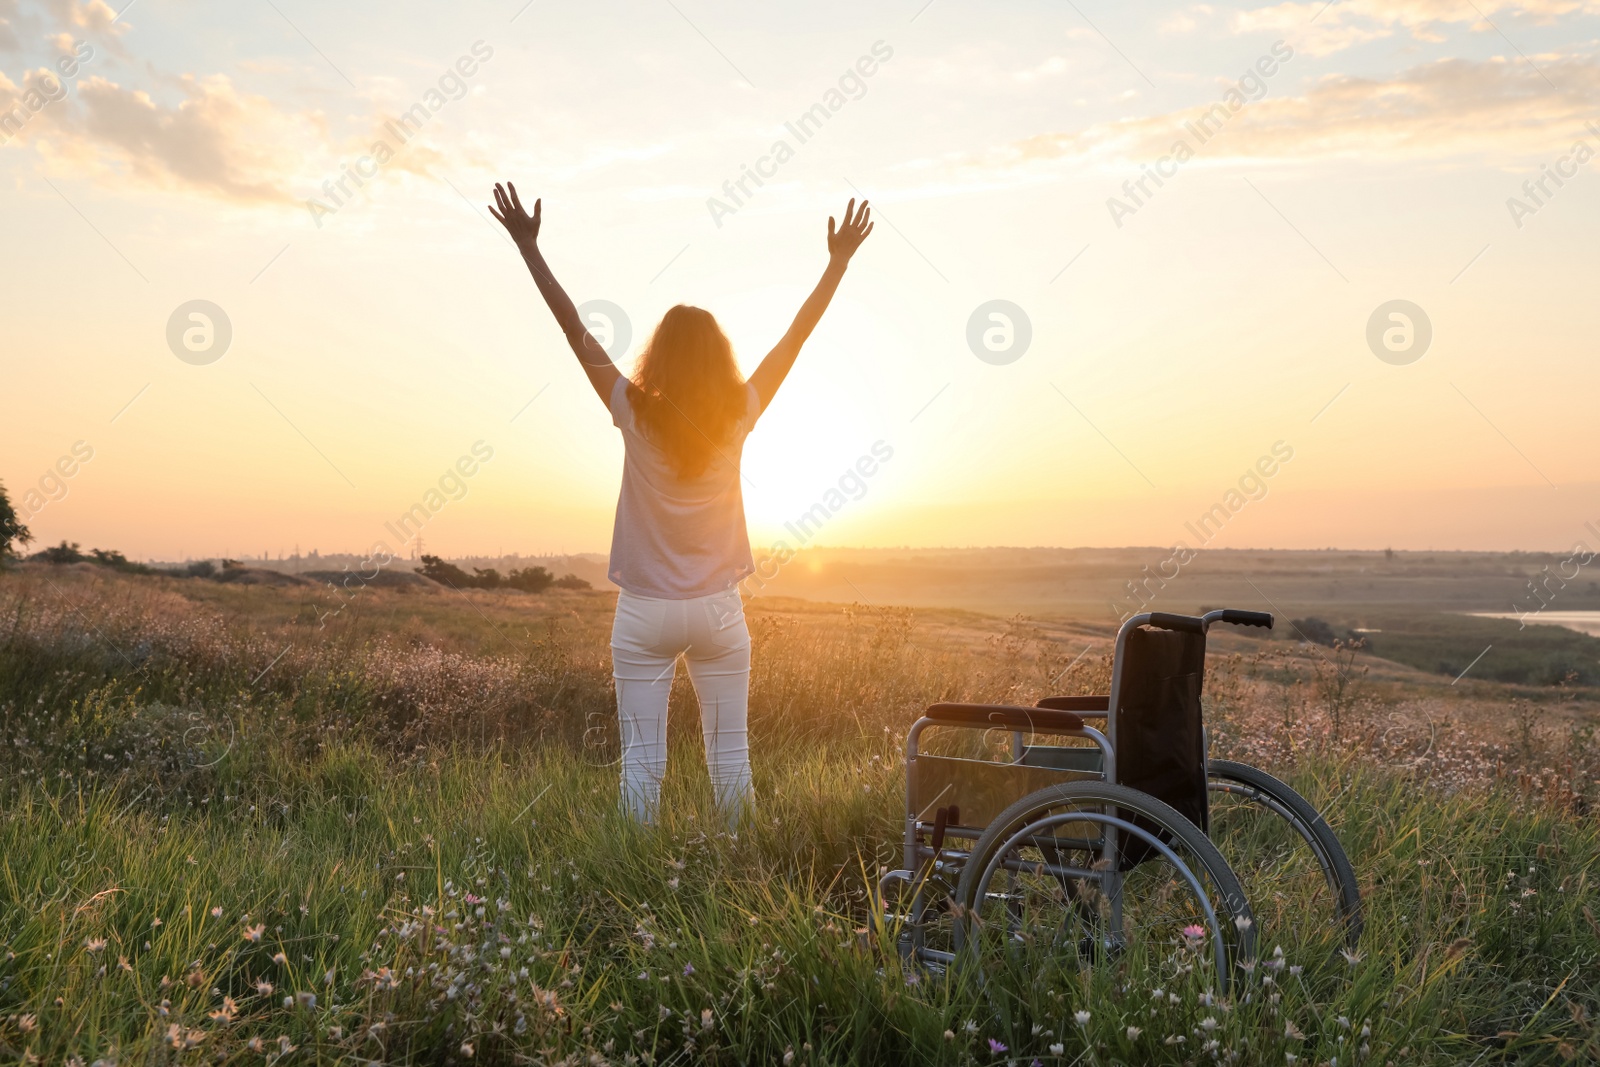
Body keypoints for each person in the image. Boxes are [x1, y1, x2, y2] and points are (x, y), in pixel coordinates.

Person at [489, 182, 873, 822]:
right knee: (731, 757)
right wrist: (837, 263)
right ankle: (737, 880)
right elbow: (794, 339)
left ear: (658, 358)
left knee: (642, 762)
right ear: (720, 361)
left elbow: (573, 328)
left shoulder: (631, 410)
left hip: (643, 613)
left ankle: (637, 890)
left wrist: (528, 248)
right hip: (718, 612)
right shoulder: (739, 413)